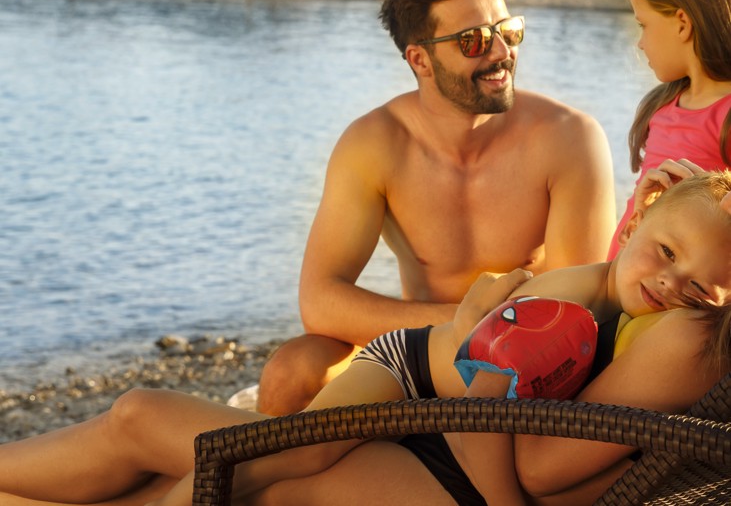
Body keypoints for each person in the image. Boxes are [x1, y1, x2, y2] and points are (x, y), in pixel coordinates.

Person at [1, 170, 729, 506]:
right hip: (418, 379)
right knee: (268, 453)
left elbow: (489, 392)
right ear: (636, 220)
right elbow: (477, 364)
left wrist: (457, 344)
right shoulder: (589, 293)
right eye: (666, 254)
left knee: (173, 433)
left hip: (451, 416)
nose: (674, 284)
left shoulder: (682, 336)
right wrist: (455, 344)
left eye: (702, 284)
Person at [253, 0, 617, 414]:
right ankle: (256, 483)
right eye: (473, 41)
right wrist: (456, 323)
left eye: (509, 32)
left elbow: (576, 307)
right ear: (420, 60)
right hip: (419, 353)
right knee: (292, 369)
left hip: (524, 351)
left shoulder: (568, 138)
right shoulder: (375, 145)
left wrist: (481, 327)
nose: (502, 52)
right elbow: (321, 300)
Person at [607, 0, 731, 258]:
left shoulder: (727, 115)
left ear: (681, 23)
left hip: (671, 294)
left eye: (643, 24)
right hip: (620, 276)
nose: (640, 42)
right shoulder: (662, 105)